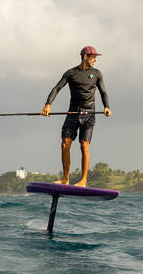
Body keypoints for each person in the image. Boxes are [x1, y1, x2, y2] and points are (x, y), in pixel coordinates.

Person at [41, 46, 112, 186]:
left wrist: (106, 107)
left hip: (89, 113)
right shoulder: (71, 73)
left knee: (84, 145)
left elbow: (103, 92)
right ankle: (65, 179)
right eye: (93, 57)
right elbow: (57, 88)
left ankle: (83, 180)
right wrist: (48, 104)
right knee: (65, 144)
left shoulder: (97, 73)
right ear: (85, 57)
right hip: (73, 112)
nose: (95, 60)